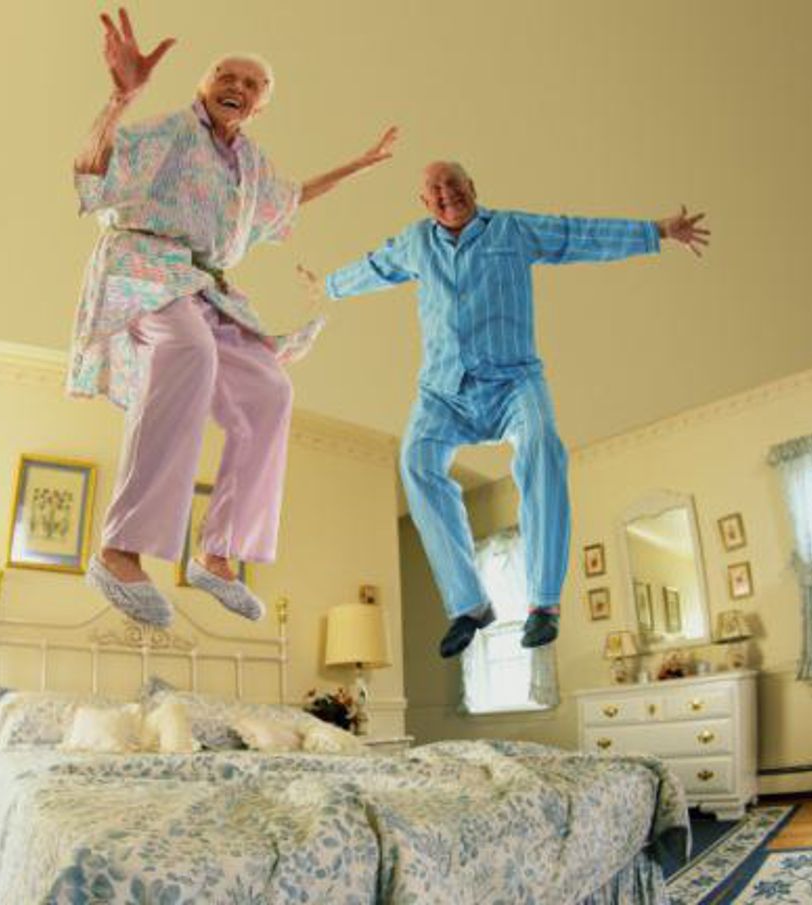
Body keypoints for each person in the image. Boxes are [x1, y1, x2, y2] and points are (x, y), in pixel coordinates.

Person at [69, 8, 398, 627]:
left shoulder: (251, 165)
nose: (237, 86)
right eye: (226, 75)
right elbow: (94, 168)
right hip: (146, 264)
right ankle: (119, 550)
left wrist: (359, 165)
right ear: (203, 84)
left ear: (260, 106)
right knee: (187, 352)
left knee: (270, 391)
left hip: (204, 286)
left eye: (252, 84)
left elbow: (293, 197)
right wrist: (120, 98)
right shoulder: (172, 132)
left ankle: (217, 554)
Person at [305, 161, 709, 658]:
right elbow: (376, 266)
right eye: (435, 189)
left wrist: (657, 232)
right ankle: (470, 605)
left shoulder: (513, 230)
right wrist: (327, 286)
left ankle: (543, 602)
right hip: (443, 391)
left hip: (514, 381)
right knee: (415, 460)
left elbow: (576, 235)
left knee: (543, 447)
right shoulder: (416, 242)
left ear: (472, 188)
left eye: (454, 184)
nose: (446, 193)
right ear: (425, 203)